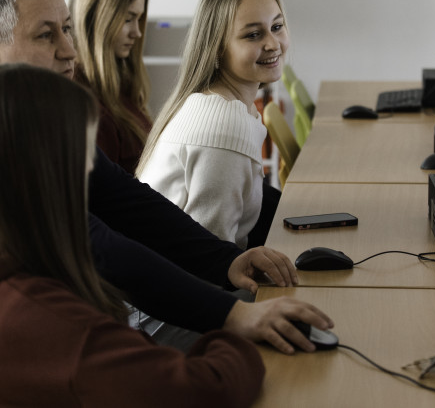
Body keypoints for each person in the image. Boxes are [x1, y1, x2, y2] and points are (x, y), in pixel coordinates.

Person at [0, 0, 334, 356]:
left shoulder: (46, 120)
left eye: (67, 30)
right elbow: (96, 243)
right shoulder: (21, 135)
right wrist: (232, 314)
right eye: (46, 35)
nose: (69, 50)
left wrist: (225, 262)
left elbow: (128, 201)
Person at [0, 64, 264, 407]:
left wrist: (225, 261)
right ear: (49, 172)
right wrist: (234, 336)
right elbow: (206, 389)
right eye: (83, 157)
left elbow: (128, 201)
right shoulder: (57, 325)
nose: (92, 170)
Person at [138, 0, 285, 249]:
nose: (273, 43)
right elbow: (210, 255)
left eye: (277, 27)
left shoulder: (221, 104)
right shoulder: (224, 124)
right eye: (253, 35)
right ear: (217, 48)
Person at [69, 0, 152, 174]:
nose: (137, 32)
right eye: (128, 19)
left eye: (139, 19)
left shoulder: (120, 89)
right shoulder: (86, 105)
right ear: (97, 17)